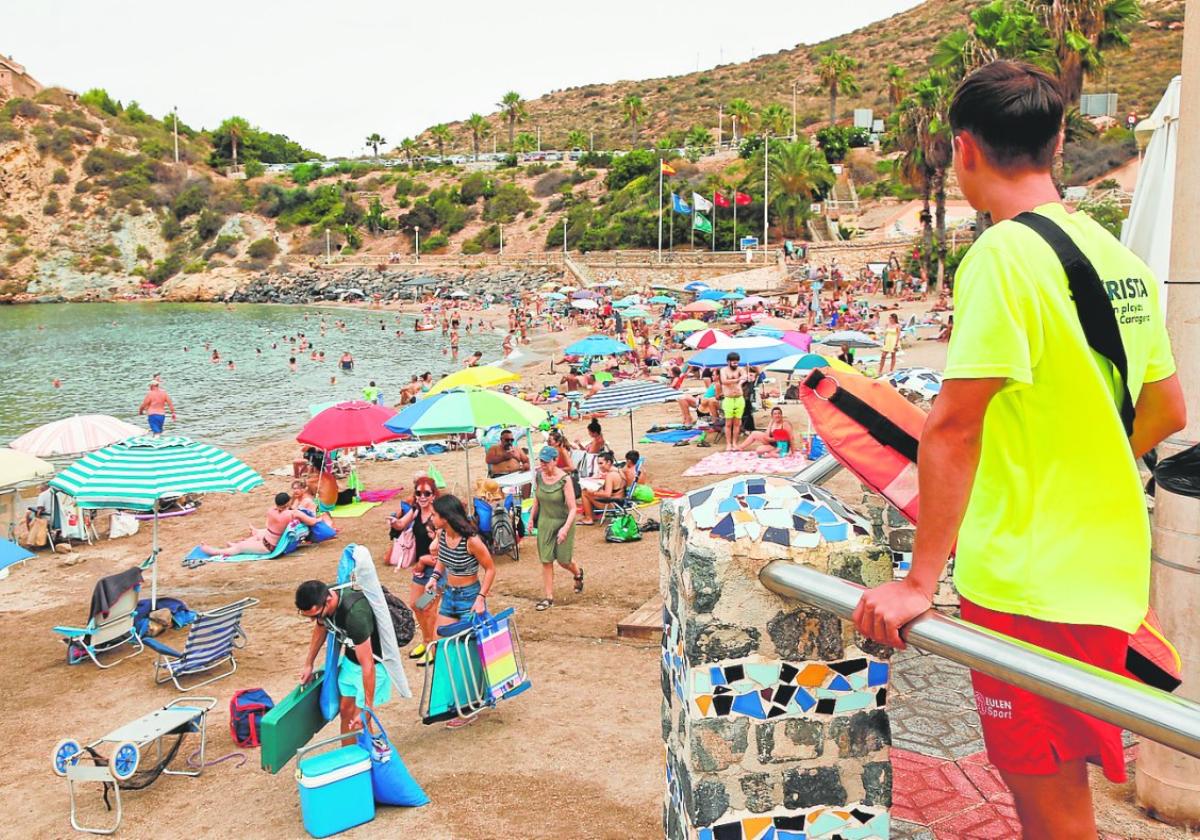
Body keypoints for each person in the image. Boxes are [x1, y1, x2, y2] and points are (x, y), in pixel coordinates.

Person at [851, 61, 1186, 840]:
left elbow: (955, 425)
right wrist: (1081, 465)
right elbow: (1167, 409)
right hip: (1102, 575)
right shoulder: (1117, 258)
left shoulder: (1002, 259)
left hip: (1032, 584)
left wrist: (918, 581)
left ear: (963, 150)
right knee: (1060, 795)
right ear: (1059, 141)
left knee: (1050, 808)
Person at [423, 495, 496, 728]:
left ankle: (468, 707)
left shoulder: (471, 540)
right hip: (449, 595)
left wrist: (481, 598)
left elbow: (490, 569)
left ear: (445, 517)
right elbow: (442, 560)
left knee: (467, 653)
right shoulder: (442, 535)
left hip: (469, 597)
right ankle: (452, 701)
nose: (431, 517)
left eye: (434, 514)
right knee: (441, 648)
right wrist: (434, 578)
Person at [296, 579, 390, 738]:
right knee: (346, 711)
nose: (314, 620)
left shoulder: (355, 616)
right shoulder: (325, 596)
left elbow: (368, 665)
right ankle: (348, 756)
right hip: (351, 661)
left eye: (316, 615)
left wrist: (368, 708)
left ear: (328, 600)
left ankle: (371, 757)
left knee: (360, 719)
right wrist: (308, 664)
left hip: (374, 664)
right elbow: (321, 626)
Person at [390, 475, 441, 665]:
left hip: (436, 570)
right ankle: (426, 641)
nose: (422, 496)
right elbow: (402, 524)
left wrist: (424, 561)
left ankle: (434, 647)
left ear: (434, 495)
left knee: (429, 607)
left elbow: (441, 548)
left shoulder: (438, 516)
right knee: (416, 604)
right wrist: (394, 523)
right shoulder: (416, 511)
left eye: (426, 493)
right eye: (418, 493)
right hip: (421, 570)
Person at [528, 446, 583, 611]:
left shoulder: (565, 479)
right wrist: (531, 518)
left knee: (563, 560)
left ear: (554, 461)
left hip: (563, 520)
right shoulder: (538, 476)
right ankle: (548, 597)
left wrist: (565, 529)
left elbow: (573, 508)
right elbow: (536, 500)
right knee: (546, 560)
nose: (543, 465)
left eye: (546, 462)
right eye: (541, 461)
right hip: (545, 521)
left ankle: (578, 573)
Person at [200, 492, 317, 558]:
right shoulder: (293, 513)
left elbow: (268, 524)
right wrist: (319, 518)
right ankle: (224, 548)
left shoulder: (271, 510)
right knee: (246, 544)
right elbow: (312, 521)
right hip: (269, 544)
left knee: (243, 546)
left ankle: (215, 550)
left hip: (268, 542)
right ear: (288, 503)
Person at [578, 451, 626, 525]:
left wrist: (594, 492)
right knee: (595, 490)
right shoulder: (619, 470)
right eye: (598, 463)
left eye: (601, 463)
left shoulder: (610, 475)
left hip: (614, 504)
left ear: (609, 462)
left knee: (584, 492)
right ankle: (591, 515)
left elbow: (607, 494)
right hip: (621, 501)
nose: (599, 466)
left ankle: (589, 518)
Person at [718, 352, 747, 451]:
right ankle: (728, 443)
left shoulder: (740, 369)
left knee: (737, 423)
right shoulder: (723, 370)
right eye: (733, 363)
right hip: (729, 398)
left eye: (737, 362)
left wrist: (740, 383)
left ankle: (734, 442)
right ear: (728, 362)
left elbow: (745, 377)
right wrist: (737, 380)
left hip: (739, 398)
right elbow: (724, 381)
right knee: (728, 423)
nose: (735, 364)